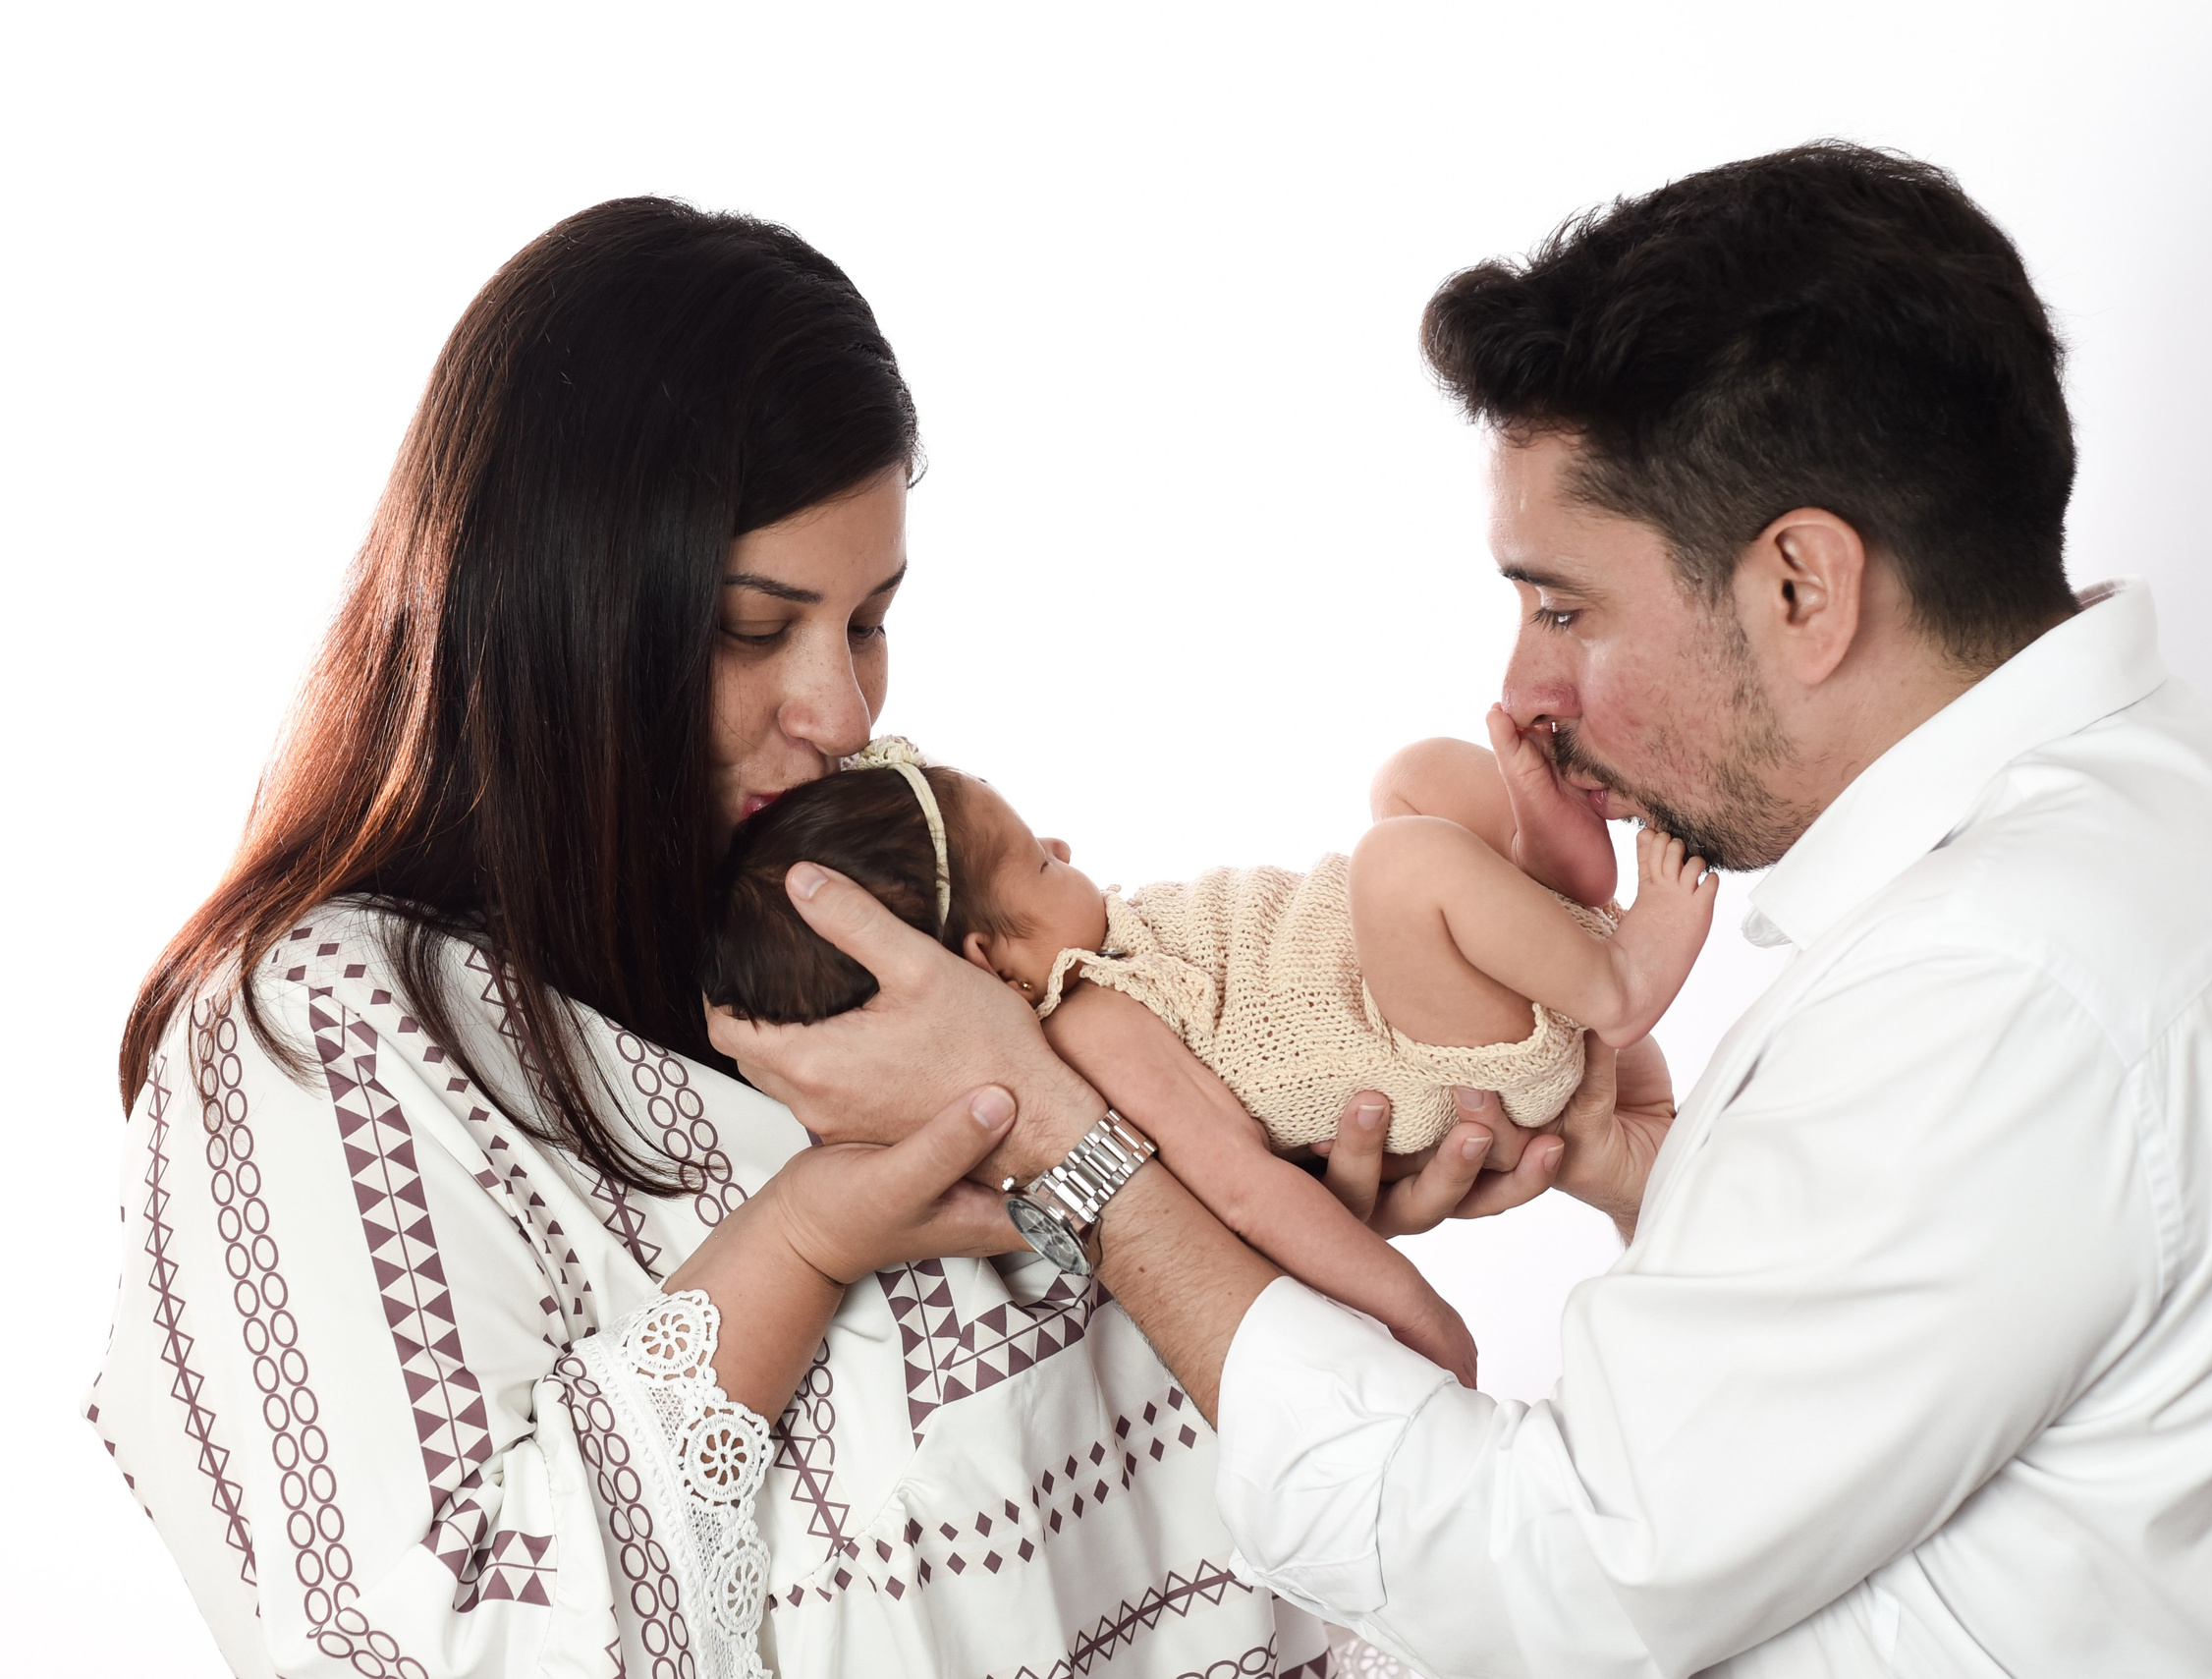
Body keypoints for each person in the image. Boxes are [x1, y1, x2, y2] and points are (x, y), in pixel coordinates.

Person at [714, 143, 2212, 1676]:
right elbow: (1931, 1355)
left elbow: (1561, 1581)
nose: (1526, 686)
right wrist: (1659, 1177)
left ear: (1803, 586)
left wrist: (1078, 1149)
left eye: (1563, 604)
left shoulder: (2005, 978)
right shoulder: (2142, 795)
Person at [89, 197, 1344, 1679]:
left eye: (869, 621)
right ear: (568, 613)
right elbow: (425, 1645)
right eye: (758, 629)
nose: (843, 712)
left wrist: (1286, 1176)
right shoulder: (320, 1037)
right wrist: (802, 1241)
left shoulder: (851, 935)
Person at [697, 733, 1719, 1387]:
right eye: (1038, 859)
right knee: (1399, 860)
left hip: (1432, 982)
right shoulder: (1091, 1027)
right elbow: (1248, 1190)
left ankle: (1566, 887)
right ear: (990, 963)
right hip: (1441, 1057)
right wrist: (1415, 1311)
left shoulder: (1108, 957)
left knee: (1410, 779)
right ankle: (1618, 978)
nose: (1063, 841)